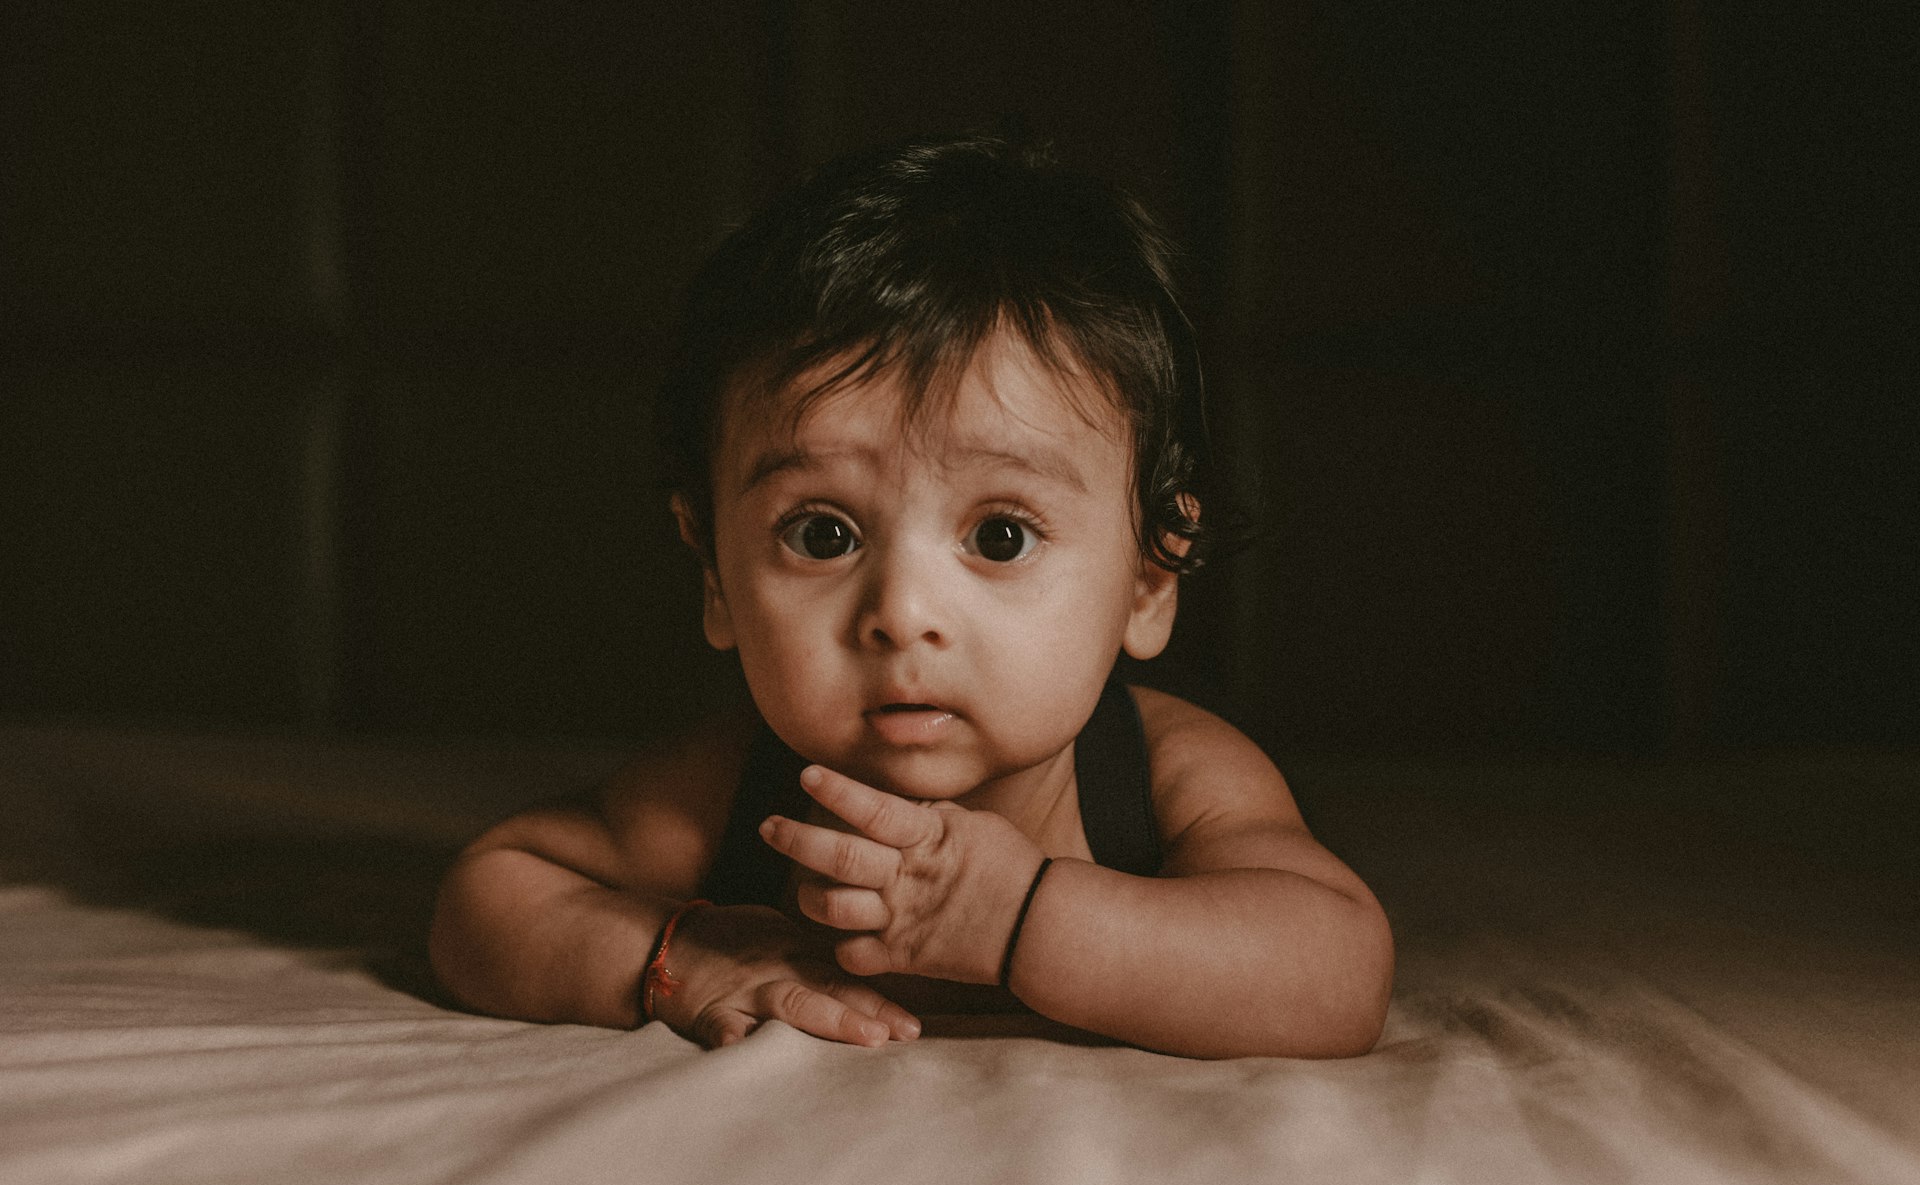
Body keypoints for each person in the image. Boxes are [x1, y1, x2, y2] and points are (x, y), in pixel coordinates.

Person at [429, 133, 1392, 1060]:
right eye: (823, 535)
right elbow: (493, 891)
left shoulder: (1164, 774)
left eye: (1000, 536)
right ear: (716, 575)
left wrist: (1021, 919)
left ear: (1149, 576)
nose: (903, 612)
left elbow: (1336, 972)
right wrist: (679, 959)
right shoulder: (737, 790)